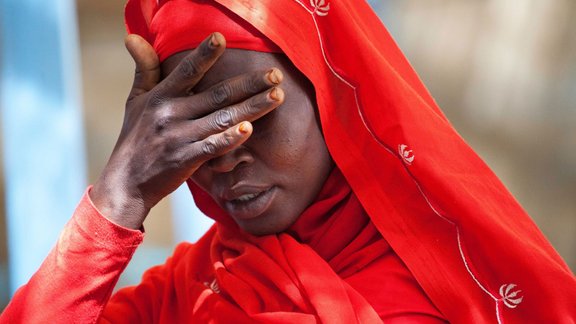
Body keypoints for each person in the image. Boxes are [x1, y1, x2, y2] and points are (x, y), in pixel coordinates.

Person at [2, 0, 575, 322]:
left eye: (256, 114)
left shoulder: (463, 282)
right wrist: (119, 197)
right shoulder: (186, 291)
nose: (224, 157)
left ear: (332, 97)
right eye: (193, 131)